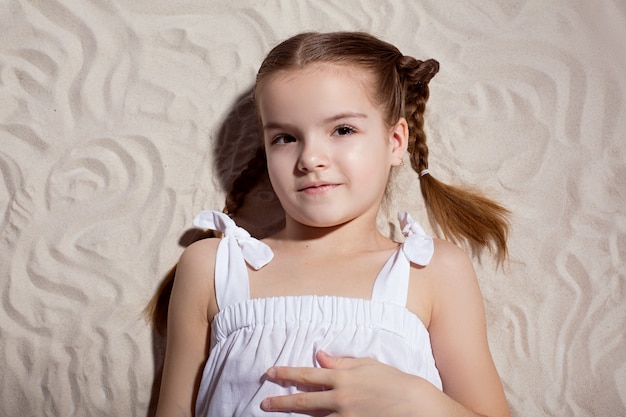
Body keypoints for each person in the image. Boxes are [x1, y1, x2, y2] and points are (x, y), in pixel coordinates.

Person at [154, 31, 511, 417]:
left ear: (395, 141)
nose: (310, 158)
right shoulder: (213, 267)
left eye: (342, 130)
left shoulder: (432, 270)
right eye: (286, 137)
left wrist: (416, 401)